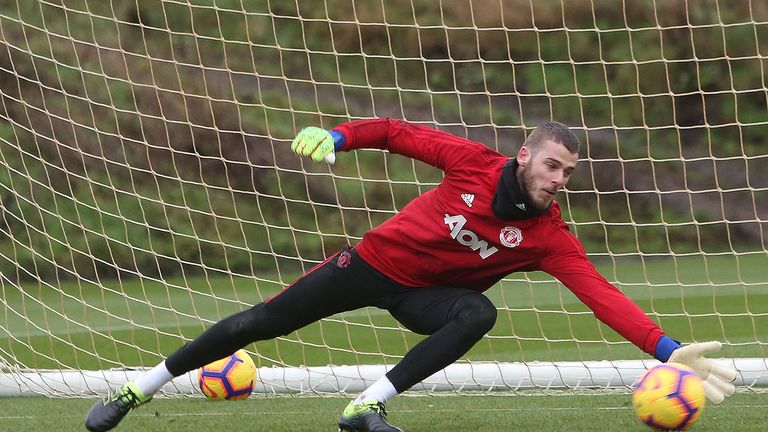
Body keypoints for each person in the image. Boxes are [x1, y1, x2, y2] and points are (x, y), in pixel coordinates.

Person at [85, 118, 736, 432]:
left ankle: (366, 409)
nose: (559, 180)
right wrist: (340, 137)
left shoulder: (548, 238)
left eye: (568, 172)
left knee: (477, 314)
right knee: (259, 322)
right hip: (368, 265)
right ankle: (136, 390)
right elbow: (397, 132)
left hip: (427, 299)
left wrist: (670, 350)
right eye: (553, 166)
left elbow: (602, 298)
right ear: (525, 157)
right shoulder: (473, 165)